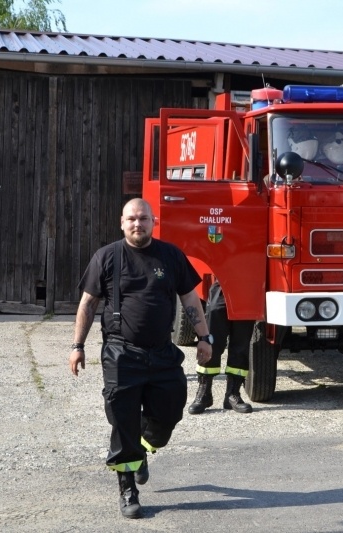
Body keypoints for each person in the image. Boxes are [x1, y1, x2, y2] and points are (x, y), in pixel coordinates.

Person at [68, 198, 212, 520]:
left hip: (162, 351)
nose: (138, 224)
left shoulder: (171, 255)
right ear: (122, 223)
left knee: (170, 411)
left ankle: (144, 447)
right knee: (123, 420)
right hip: (121, 353)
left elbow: (190, 297)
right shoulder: (106, 257)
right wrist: (77, 345)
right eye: (132, 219)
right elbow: (88, 305)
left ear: (153, 221)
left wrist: (204, 338)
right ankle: (127, 486)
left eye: (143, 218)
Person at [188, 279, 254, 415]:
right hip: (223, 282)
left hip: (247, 285)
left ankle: (232, 394)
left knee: (241, 344)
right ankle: (204, 392)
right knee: (212, 339)